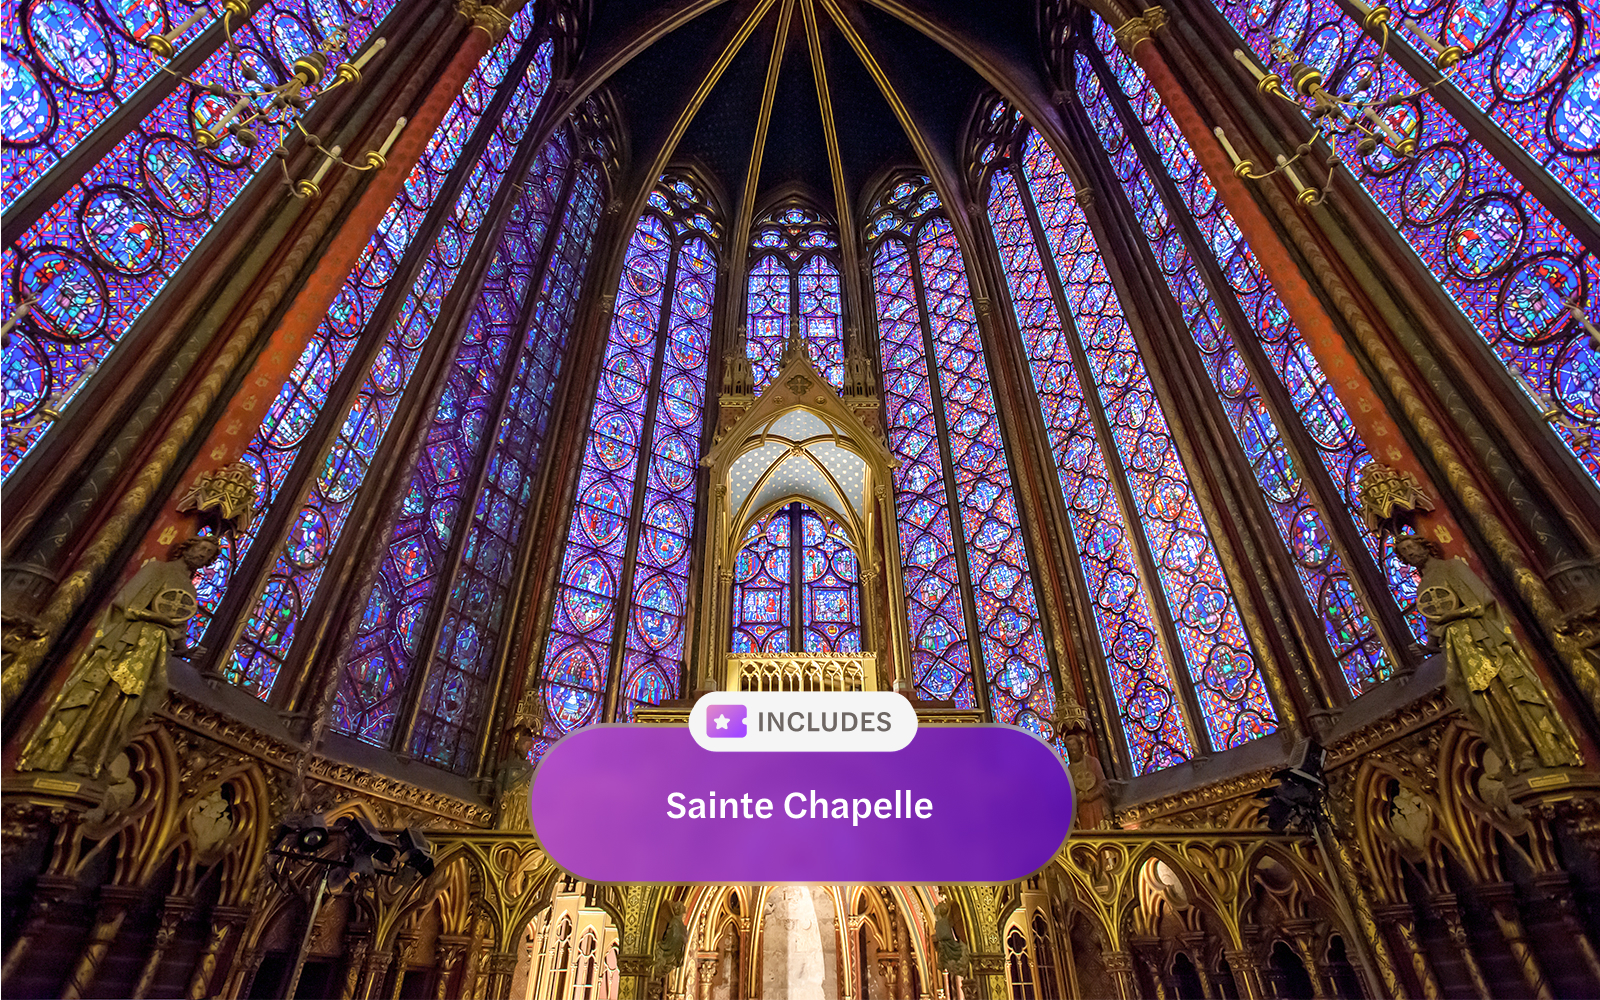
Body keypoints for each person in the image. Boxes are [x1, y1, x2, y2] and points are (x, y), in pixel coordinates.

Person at [19, 536, 221, 779]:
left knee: (136, 705)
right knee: (110, 695)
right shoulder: (158, 569)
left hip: (155, 651)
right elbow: (126, 604)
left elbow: (177, 627)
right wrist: (159, 620)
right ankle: (77, 755)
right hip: (131, 642)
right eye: (202, 548)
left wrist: (185, 650)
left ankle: (99, 759)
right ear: (188, 547)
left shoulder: (189, 588)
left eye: (208, 554)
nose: (203, 555)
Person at [1395, 534, 1580, 775]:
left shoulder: (1451, 568)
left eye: (1411, 546)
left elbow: (1482, 601)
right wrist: (1427, 648)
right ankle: (1509, 754)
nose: (1409, 553)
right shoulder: (1422, 586)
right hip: (1455, 646)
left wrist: (1453, 616)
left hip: (1478, 638)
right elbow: (1434, 625)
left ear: (1424, 545)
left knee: (1498, 690)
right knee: (1473, 700)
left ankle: (1530, 751)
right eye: (1404, 552)